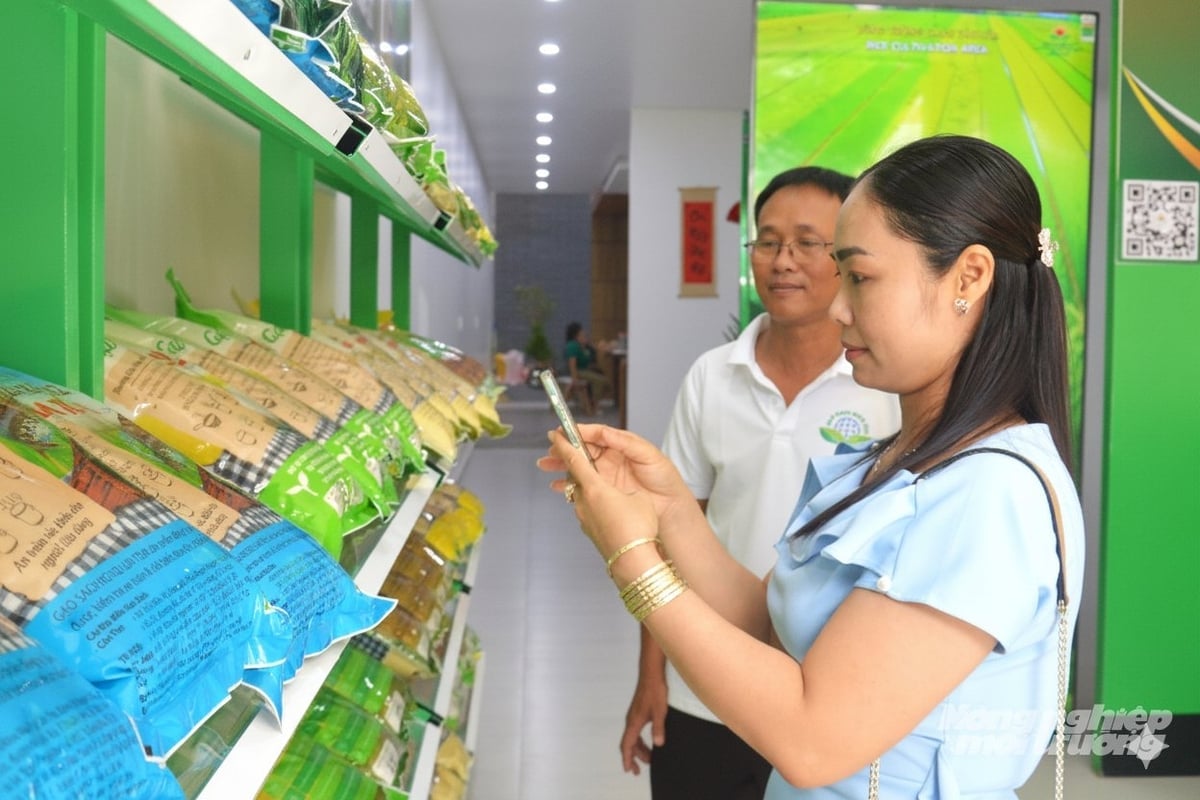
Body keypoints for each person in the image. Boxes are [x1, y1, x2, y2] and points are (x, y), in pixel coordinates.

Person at [540, 134, 1085, 798]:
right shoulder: (905, 458)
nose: (836, 306)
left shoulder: (987, 492)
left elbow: (811, 740)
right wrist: (669, 511)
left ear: (969, 276)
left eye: (859, 275)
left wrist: (630, 555)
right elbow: (774, 621)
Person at [621, 167, 900, 800]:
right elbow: (666, 537)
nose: (783, 261)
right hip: (706, 683)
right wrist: (651, 676)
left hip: (826, 697)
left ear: (848, 261)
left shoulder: (886, 388)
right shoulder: (711, 377)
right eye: (768, 241)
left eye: (808, 243)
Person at [564, 321, 611, 415]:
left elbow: (596, 348)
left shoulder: (583, 345)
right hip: (579, 372)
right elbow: (572, 364)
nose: (584, 336)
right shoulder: (572, 346)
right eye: (581, 334)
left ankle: (593, 402)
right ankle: (594, 404)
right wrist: (575, 378)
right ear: (576, 335)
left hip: (585, 370)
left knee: (603, 380)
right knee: (601, 381)